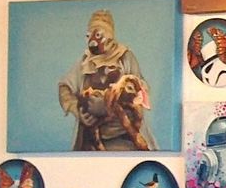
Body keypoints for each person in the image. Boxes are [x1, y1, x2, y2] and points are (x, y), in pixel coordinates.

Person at [57, 9, 154, 151]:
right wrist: (77, 110)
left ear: (109, 35)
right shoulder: (86, 62)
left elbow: (141, 89)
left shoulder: (125, 57)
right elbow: (64, 87)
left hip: (124, 138)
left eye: (98, 35)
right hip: (92, 141)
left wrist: (114, 99)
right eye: (89, 36)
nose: (93, 42)